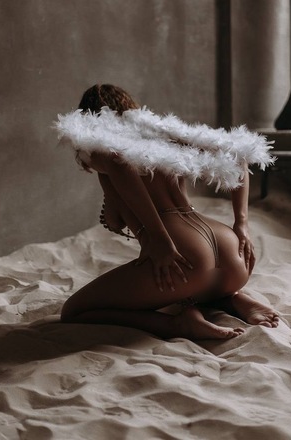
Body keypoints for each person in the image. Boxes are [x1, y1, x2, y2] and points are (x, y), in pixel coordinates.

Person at [58, 84, 279, 340]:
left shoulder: (99, 146)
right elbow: (238, 154)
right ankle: (233, 298)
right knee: (186, 284)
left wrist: (158, 237)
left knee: (74, 310)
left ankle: (177, 325)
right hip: (232, 255)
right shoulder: (163, 138)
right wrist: (241, 223)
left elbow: (118, 163)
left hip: (185, 251)